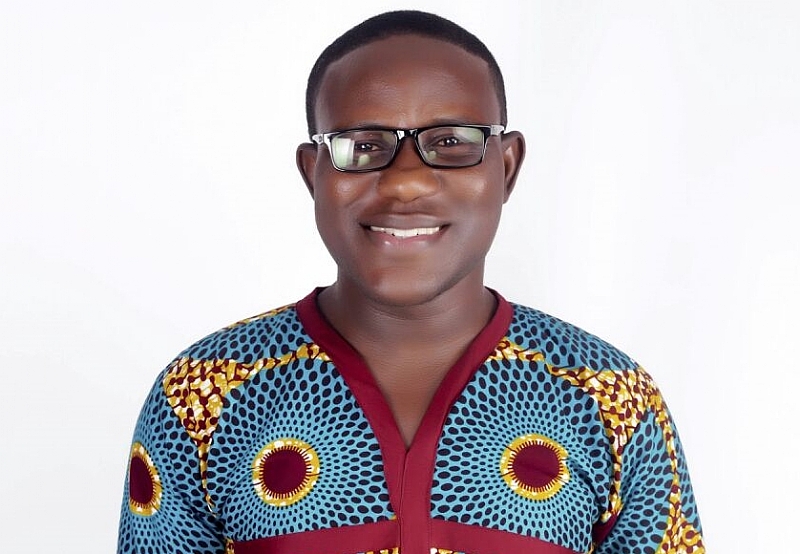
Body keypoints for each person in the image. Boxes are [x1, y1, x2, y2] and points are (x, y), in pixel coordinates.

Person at [117, 10, 704, 554]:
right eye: (362, 146)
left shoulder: (611, 397)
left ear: (506, 167)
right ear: (313, 173)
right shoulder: (202, 394)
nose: (404, 183)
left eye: (450, 142)